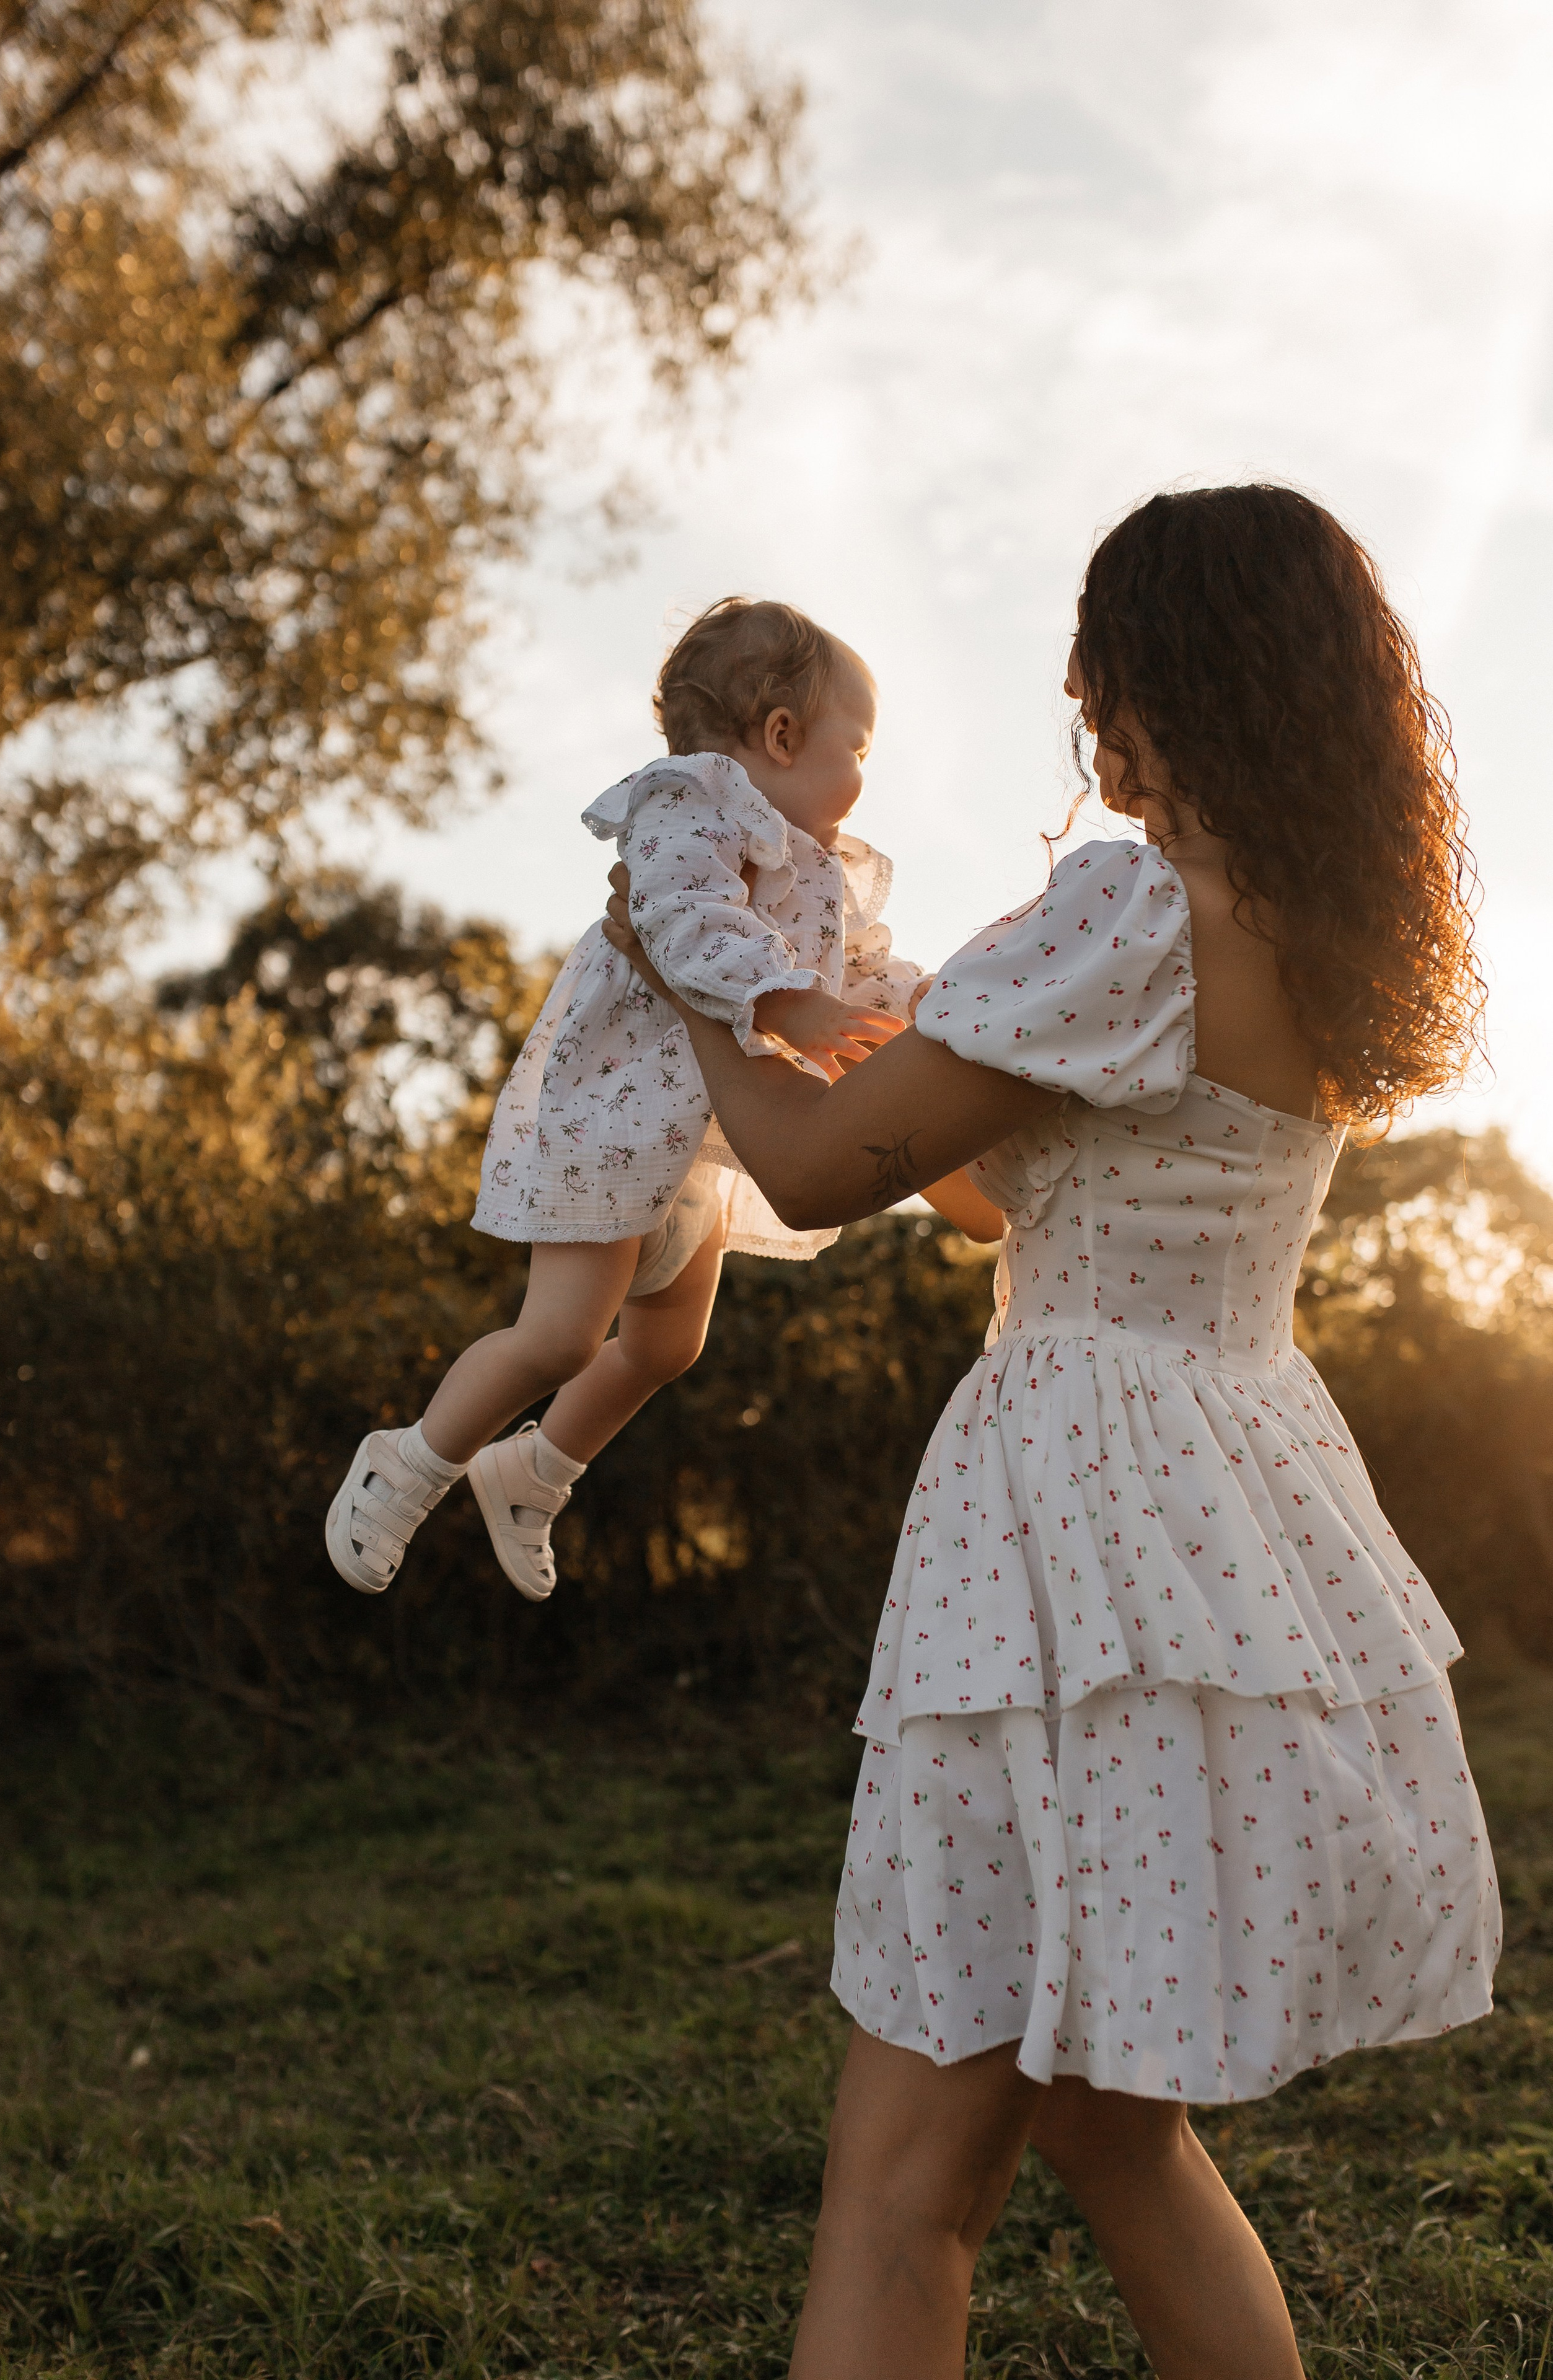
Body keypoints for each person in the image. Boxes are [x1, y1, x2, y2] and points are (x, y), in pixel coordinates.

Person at [602, 485, 1501, 2380]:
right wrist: (891, 1064)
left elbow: (808, 1173)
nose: (1091, 724)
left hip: (1062, 1530)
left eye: (1108, 679)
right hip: (1225, 1518)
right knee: (1110, 2129)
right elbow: (999, 1195)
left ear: (1185, 672)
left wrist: (689, 979)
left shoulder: (1132, 907)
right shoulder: (1319, 938)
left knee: (902, 2192)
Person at [326, 597, 992, 1603]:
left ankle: (534, 1469)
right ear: (781, 735)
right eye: (857, 748)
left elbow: (860, 972)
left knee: (668, 1345)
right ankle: (409, 1463)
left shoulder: (817, 867)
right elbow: (683, 921)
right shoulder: (692, 804)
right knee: (560, 1337)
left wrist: (935, 1005)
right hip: (616, 1121)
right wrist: (789, 1004)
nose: (864, 774)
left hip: (695, 1145)